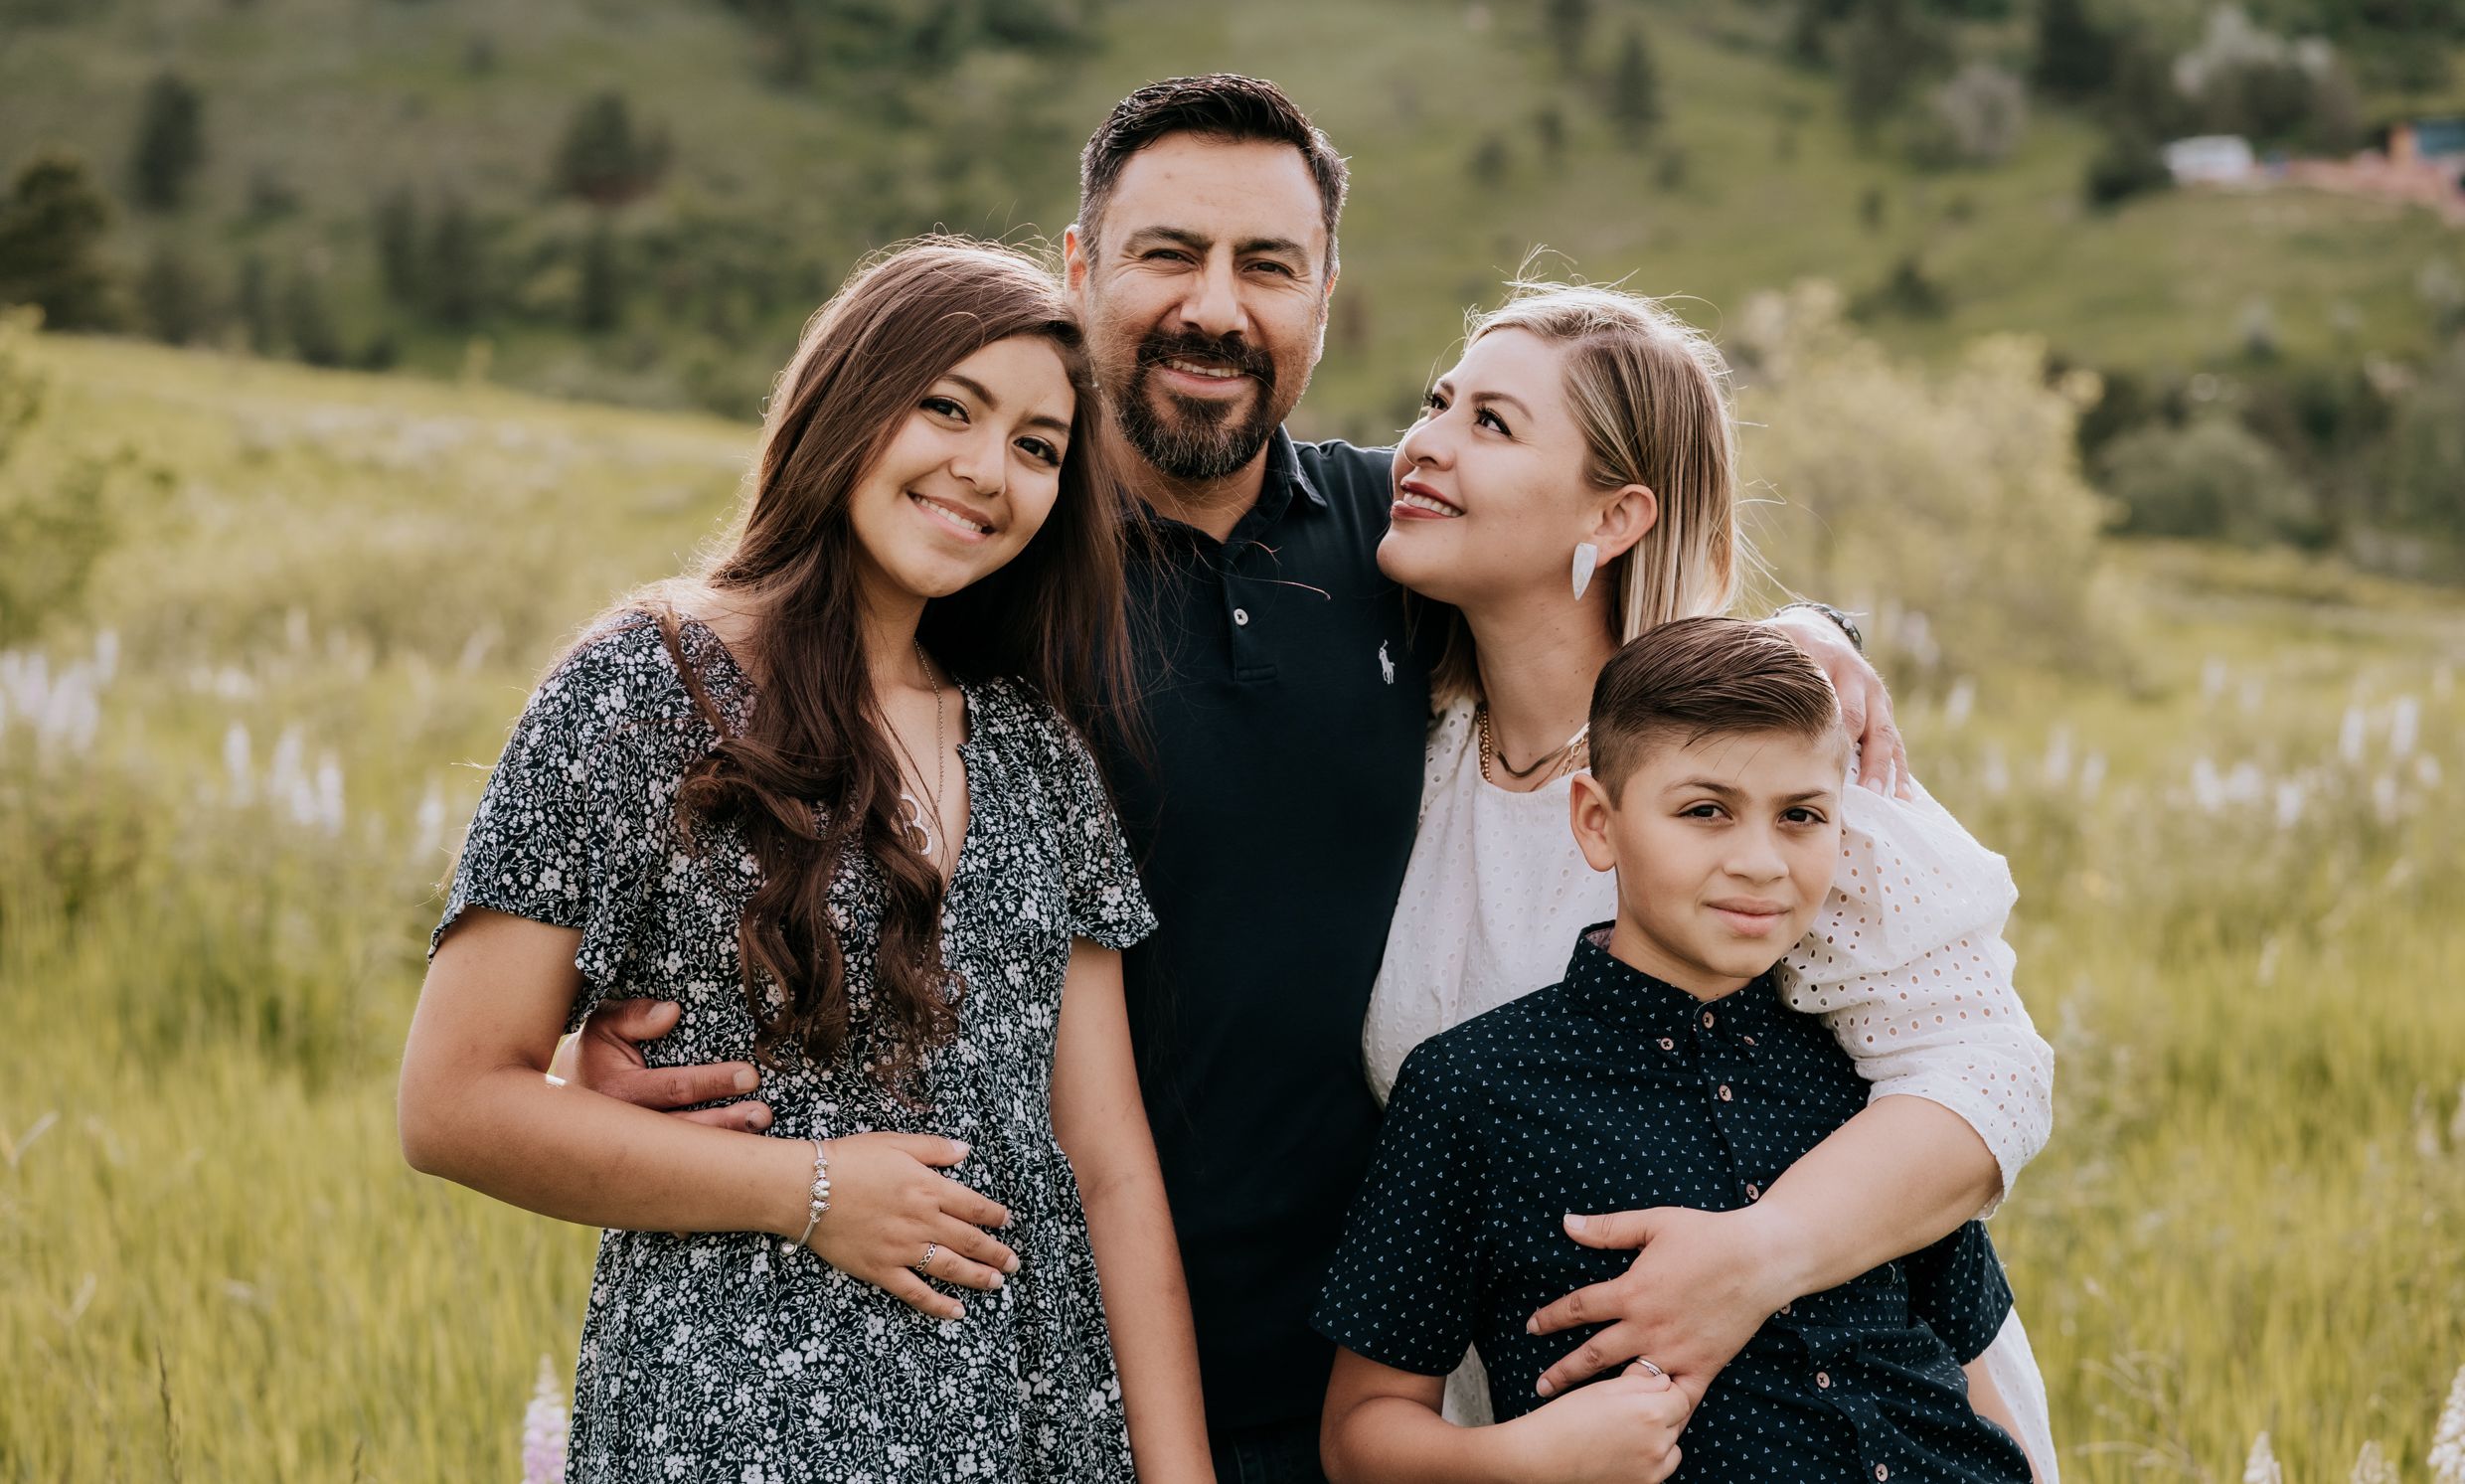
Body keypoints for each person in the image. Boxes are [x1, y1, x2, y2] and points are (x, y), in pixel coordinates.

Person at [563, 76, 1915, 1480]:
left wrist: (1809, 636)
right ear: (1080, 268)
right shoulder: (994, 554)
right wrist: (641, 1029)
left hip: (1377, 1369)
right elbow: (790, 726)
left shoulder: (1396, 539)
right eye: (1168, 253)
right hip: (1020, 1355)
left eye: (1266, 265)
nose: (1215, 308)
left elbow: (1595, 586)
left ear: (1324, 294)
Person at [397, 240, 1212, 1482]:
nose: (986, 470)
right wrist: (808, 1189)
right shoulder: (642, 692)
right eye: (948, 408)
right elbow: (451, 1104)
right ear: (847, 402)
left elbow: (1105, 1164)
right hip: (733, 1421)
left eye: (1038, 447)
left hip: (1034, 1430)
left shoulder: (1037, 756)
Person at [1361, 281, 2058, 1474]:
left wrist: (1753, 1257)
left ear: (1616, 513)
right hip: (1557, 1425)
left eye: (1490, 424)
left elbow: (1985, 1078)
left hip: (1849, 1417)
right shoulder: (1418, 773)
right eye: (1437, 403)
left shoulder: (1755, 766)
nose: (1422, 443)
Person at [1317, 618, 2037, 1484]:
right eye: (1706, 810)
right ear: (1597, 821)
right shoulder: (1472, 1090)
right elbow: (1359, 1432)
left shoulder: (1864, 1067)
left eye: (1801, 816)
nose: (1761, 861)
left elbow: (1971, 1370)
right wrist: (1526, 1460)